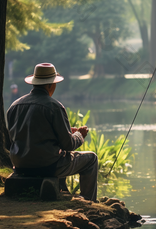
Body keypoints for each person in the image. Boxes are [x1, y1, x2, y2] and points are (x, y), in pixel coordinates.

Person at [6, 62, 98, 201]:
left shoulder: (14, 106)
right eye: (54, 83)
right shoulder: (54, 106)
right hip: (48, 166)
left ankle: (62, 191)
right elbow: (68, 145)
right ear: (50, 85)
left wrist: (66, 132)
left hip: (20, 165)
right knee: (91, 159)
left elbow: (16, 137)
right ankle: (88, 201)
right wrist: (80, 134)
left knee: (60, 154)